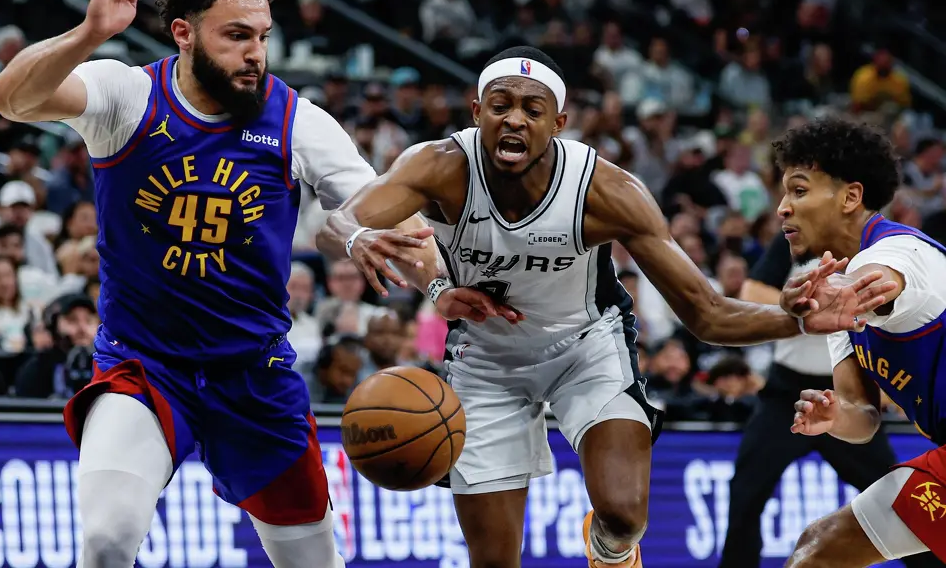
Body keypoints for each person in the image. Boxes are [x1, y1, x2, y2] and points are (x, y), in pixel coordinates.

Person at [0, 0, 506, 568]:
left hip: (254, 376)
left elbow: (391, 213)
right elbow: (9, 100)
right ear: (183, 32)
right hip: (145, 366)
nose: (255, 52)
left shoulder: (295, 119)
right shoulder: (125, 96)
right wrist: (90, 33)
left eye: (262, 36)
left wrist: (439, 287)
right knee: (105, 542)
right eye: (236, 36)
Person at [317, 46, 893, 568]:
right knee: (493, 562)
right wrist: (375, 251)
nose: (514, 118)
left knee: (625, 514)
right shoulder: (439, 165)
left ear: (559, 124)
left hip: (585, 347)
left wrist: (793, 320)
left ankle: (612, 551)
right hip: (486, 359)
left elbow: (706, 313)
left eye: (532, 108)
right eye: (501, 105)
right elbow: (344, 217)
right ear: (477, 112)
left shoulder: (606, 192)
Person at [776, 118, 946, 567]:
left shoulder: (900, 252)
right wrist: (833, 417)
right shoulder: (840, 301)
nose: (782, 208)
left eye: (798, 190)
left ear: (851, 196)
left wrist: (854, 294)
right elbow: (864, 417)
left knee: (818, 551)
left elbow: (888, 282)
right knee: (818, 550)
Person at [721, 233, 943, 568]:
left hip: (849, 394)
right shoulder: (794, 247)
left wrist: (841, 299)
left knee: (902, 502)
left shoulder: (888, 254)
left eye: (799, 191)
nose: (786, 209)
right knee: (746, 493)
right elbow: (751, 293)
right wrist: (810, 307)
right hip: (788, 394)